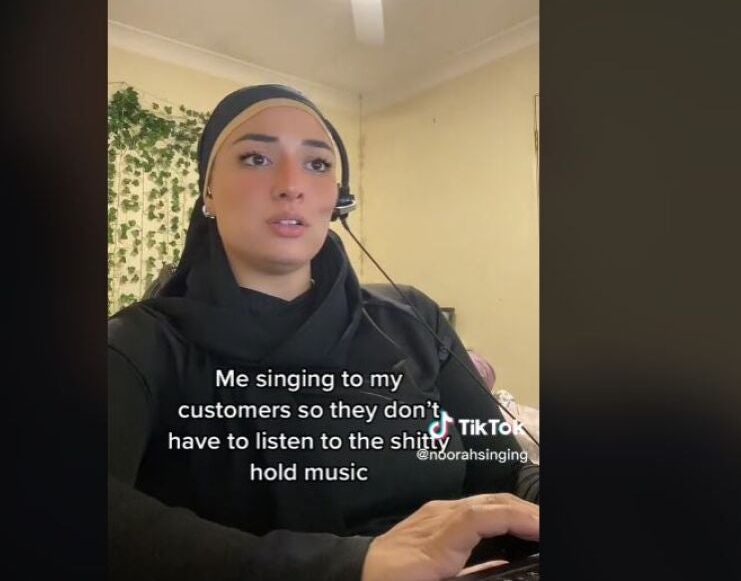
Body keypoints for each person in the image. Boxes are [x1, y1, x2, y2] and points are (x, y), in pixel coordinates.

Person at [108, 84, 540, 581]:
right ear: (208, 191)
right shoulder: (139, 345)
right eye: (256, 158)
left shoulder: (412, 319)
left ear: (339, 200)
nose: (292, 185)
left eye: (317, 164)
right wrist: (352, 565)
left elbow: (503, 470)